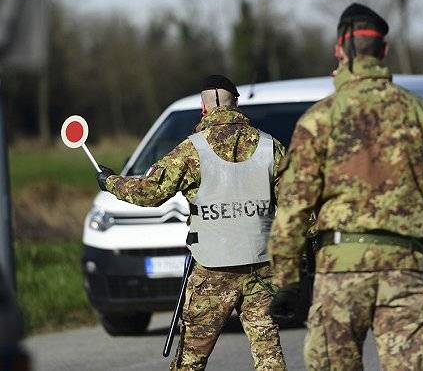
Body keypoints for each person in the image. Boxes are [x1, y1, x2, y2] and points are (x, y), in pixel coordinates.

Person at [268, 3, 423, 371]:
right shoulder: (421, 113)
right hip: (407, 270)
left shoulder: (319, 119)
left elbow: (293, 208)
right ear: (385, 52)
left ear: (339, 52)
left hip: (339, 273)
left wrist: (287, 282)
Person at [96, 75, 287, 371]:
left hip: (212, 267)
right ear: (236, 103)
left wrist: (110, 182)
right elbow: (299, 206)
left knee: (191, 359)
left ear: (204, 108)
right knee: (269, 355)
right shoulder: (270, 146)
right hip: (260, 266)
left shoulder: (190, 150)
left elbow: (150, 193)